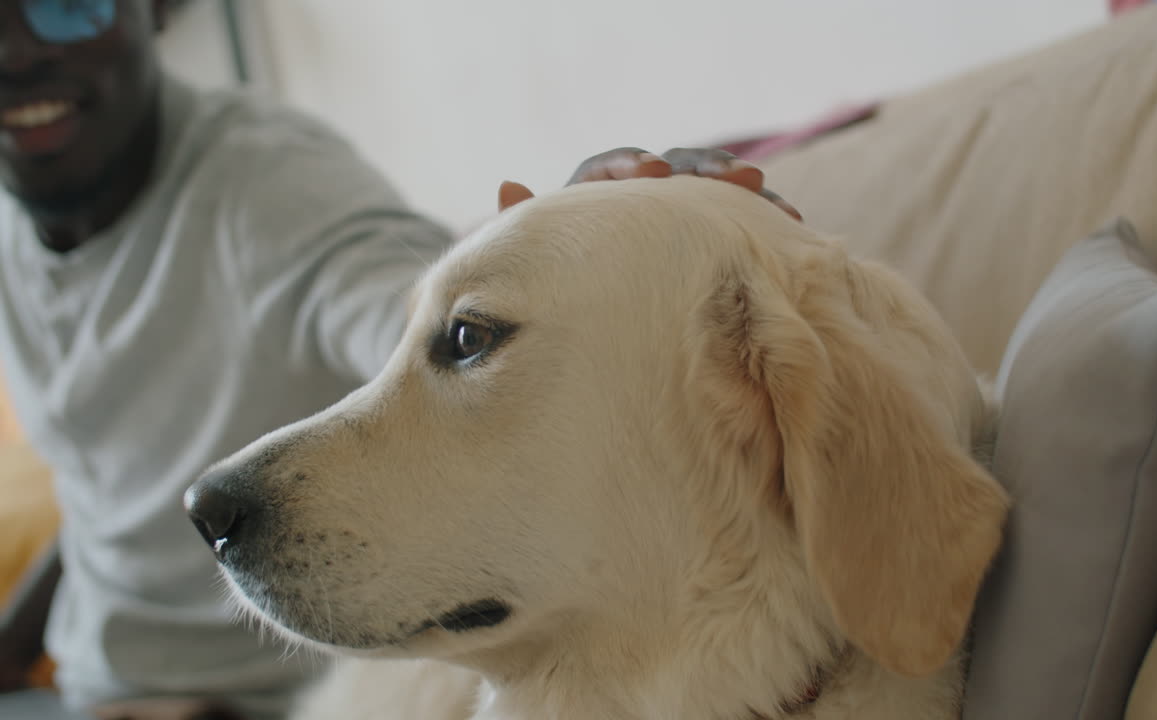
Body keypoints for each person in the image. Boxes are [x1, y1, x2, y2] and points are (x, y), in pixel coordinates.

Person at [0, 2, 792, 718]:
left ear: (153, 9)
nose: (19, 51)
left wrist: (570, 256)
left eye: (65, 5)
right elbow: (100, 494)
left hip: (260, 697)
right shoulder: (15, 229)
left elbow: (405, 313)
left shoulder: (266, 183)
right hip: (75, 688)